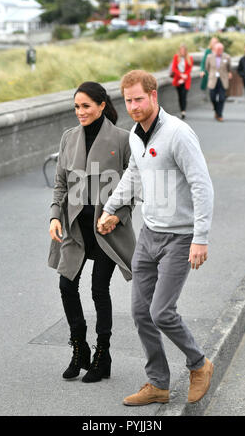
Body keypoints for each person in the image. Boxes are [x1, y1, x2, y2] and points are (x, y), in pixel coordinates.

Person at [98, 70, 214, 406]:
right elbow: (134, 175)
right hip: (149, 233)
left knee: (162, 311)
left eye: (138, 99)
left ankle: (198, 364)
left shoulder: (178, 133)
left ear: (153, 96)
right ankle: (158, 383)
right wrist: (110, 209)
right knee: (140, 312)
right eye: (128, 100)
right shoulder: (135, 134)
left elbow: (201, 185)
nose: (133, 106)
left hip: (180, 236)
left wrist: (201, 237)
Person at [48, 81, 136, 383]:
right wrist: (54, 217)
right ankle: (80, 348)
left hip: (106, 229)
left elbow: (133, 187)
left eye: (86, 106)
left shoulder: (123, 139)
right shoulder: (68, 138)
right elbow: (60, 184)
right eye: (76, 107)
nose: (80, 112)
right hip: (75, 226)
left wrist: (117, 216)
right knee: (66, 285)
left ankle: (103, 354)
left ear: (101, 105)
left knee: (99, 289)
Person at [206, 42, 232, 122]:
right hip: (213, 80)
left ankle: (220, 114)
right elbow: (207, 68)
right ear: (214, 49)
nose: (219, 50)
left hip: (222, 80)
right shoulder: (209, 57)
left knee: (221, 98)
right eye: (218, 49)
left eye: (221, 49)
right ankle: (216, 110)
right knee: (212, 97)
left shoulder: (227, 57)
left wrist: (228, 73)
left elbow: (229, 68)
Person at [170, 44, 193, 119]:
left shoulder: (190, 58)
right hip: (177, 79)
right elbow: (174, 68)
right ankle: (181, 110)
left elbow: (190, 68)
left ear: (186, 51)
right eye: (181, 50)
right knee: (180, 96)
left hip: (186, 80)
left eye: (184, 50)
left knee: (184, 95)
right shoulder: (176, 57)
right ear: (179, 51)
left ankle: (183, 111)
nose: (182, 51)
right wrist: (180, 75)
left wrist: (184, 76)